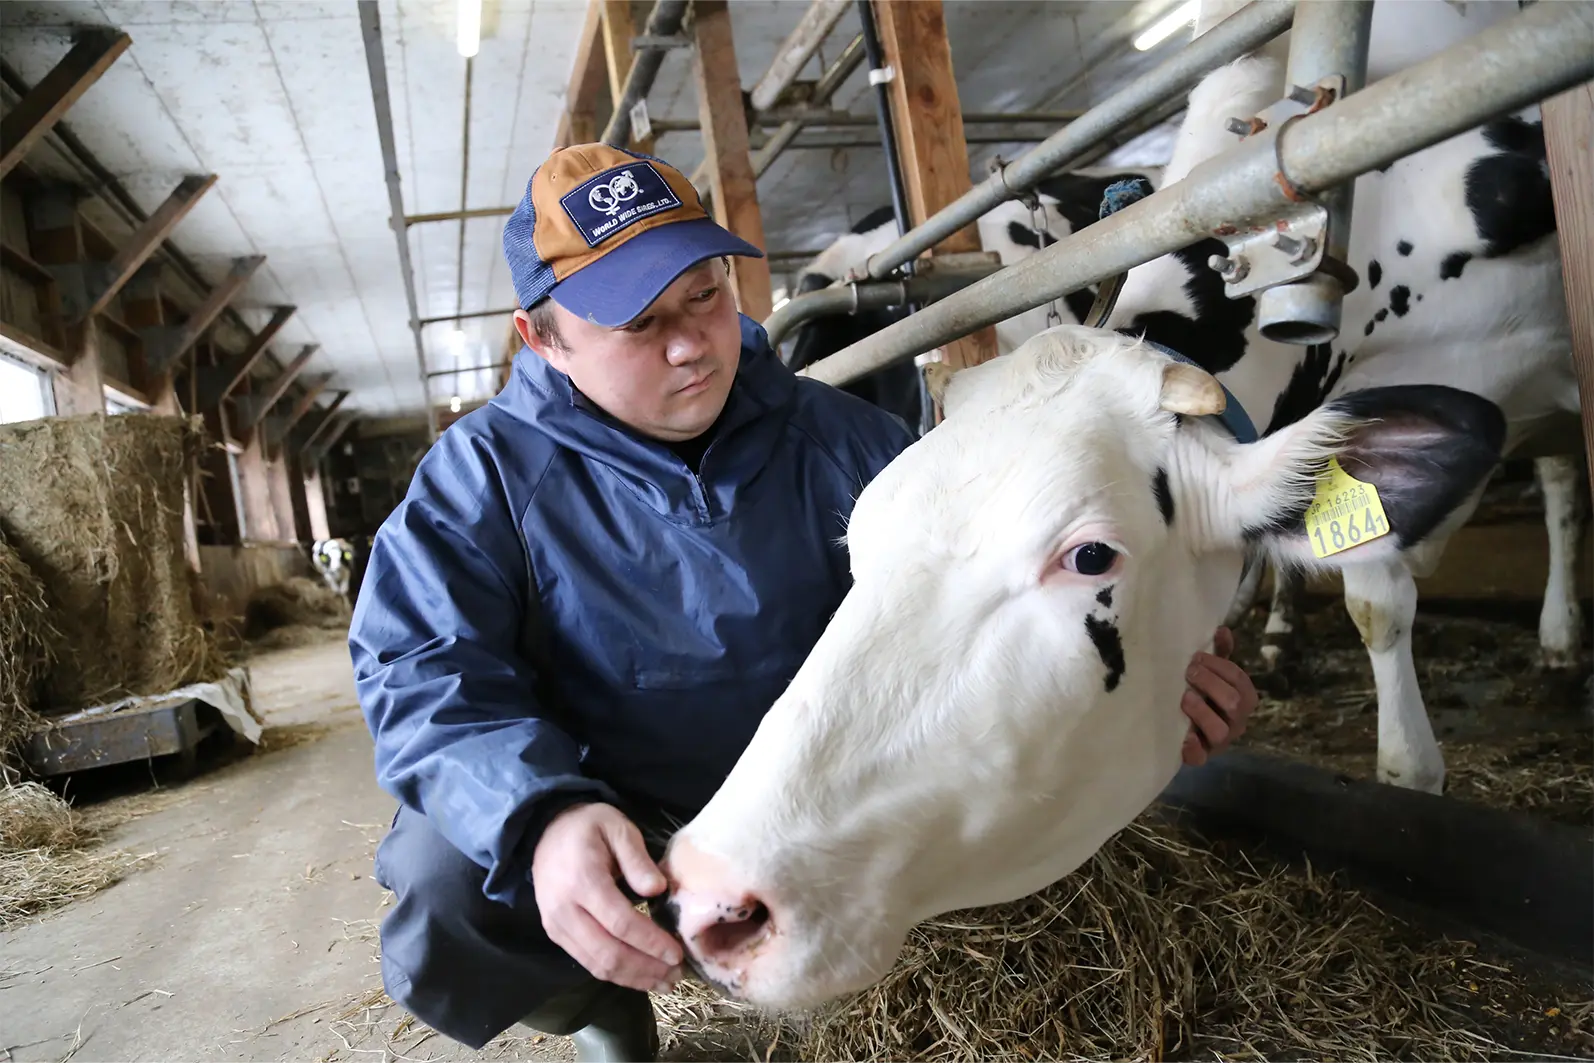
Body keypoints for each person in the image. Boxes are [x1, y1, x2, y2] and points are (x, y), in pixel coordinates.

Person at [349, 144, 1260, 1062]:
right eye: (637, 323)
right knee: (447, 881)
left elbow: (984, 618)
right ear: (541, 337)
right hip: (612, 803)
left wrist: (1158, 677)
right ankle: (597, 1004)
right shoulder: (482, 481)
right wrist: (540, 815)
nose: (688, 344)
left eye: (704, 294)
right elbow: (419, 666)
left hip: (820, 776)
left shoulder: (849, 438)